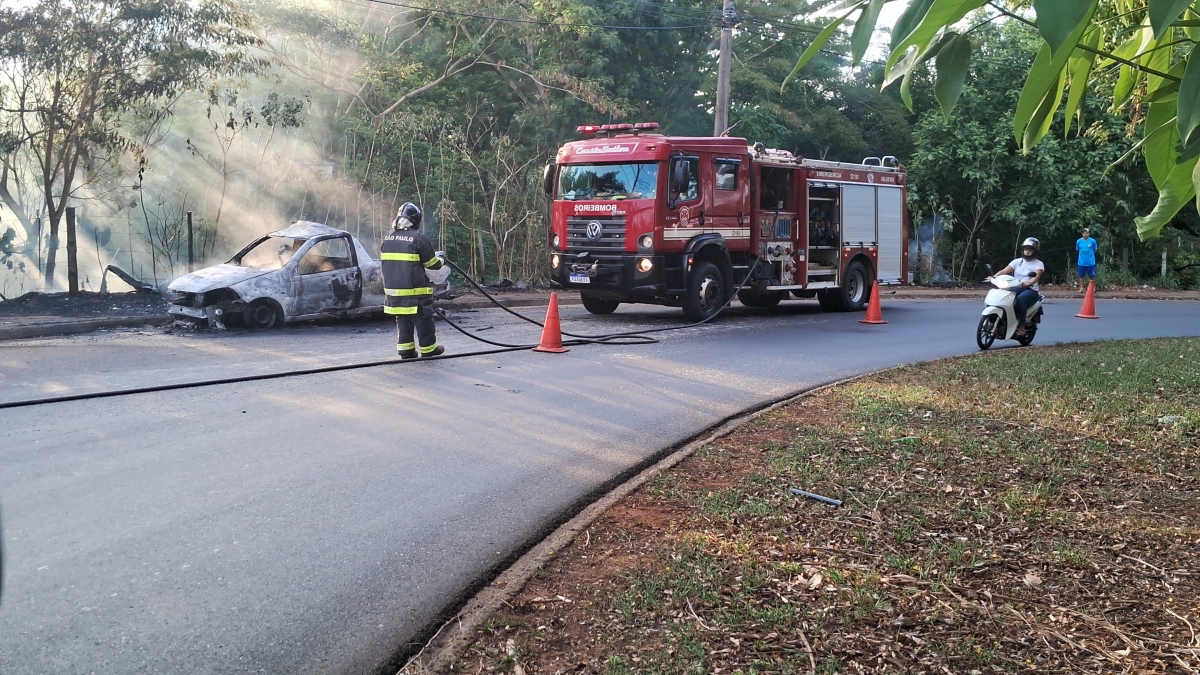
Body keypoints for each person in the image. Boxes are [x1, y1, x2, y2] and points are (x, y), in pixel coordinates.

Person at [381, 202, 445, 359]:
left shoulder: (387, 237)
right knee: (424, 319)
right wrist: (442, 259)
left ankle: (406, 350)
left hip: (394, 291)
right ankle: (429, 349)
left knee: (403, 319)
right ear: (415, 220)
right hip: (415, 290)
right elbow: (432, 264)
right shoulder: (417, 238)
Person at [990, 237, 1044, 335]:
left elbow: (1037, 275)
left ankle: (1022, 326)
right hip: (1016, 287)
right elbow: (1004, 271)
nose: (1027, 252)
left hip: (1030, 290)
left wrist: (1030, 282)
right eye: (1025, 249)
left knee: (1020, 300)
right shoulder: (1017, 262)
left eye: (1030, 250)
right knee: (1002, 297)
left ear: (1035, 251)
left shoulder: (1039, 264)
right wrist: (994, 277)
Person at [1076, 227, 1099, 291]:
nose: (1085, 234)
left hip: (1090, 262)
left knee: (1092, 276)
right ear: (1082, 234)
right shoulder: (1078, 241)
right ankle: (1081, 287)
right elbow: (1078, 250)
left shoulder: (1092, 241)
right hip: (1081, 262)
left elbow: (1095, 250)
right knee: (1081, 276)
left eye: (1087, 233)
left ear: (1089, 234)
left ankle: (1093, 288)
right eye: (1084, 233)